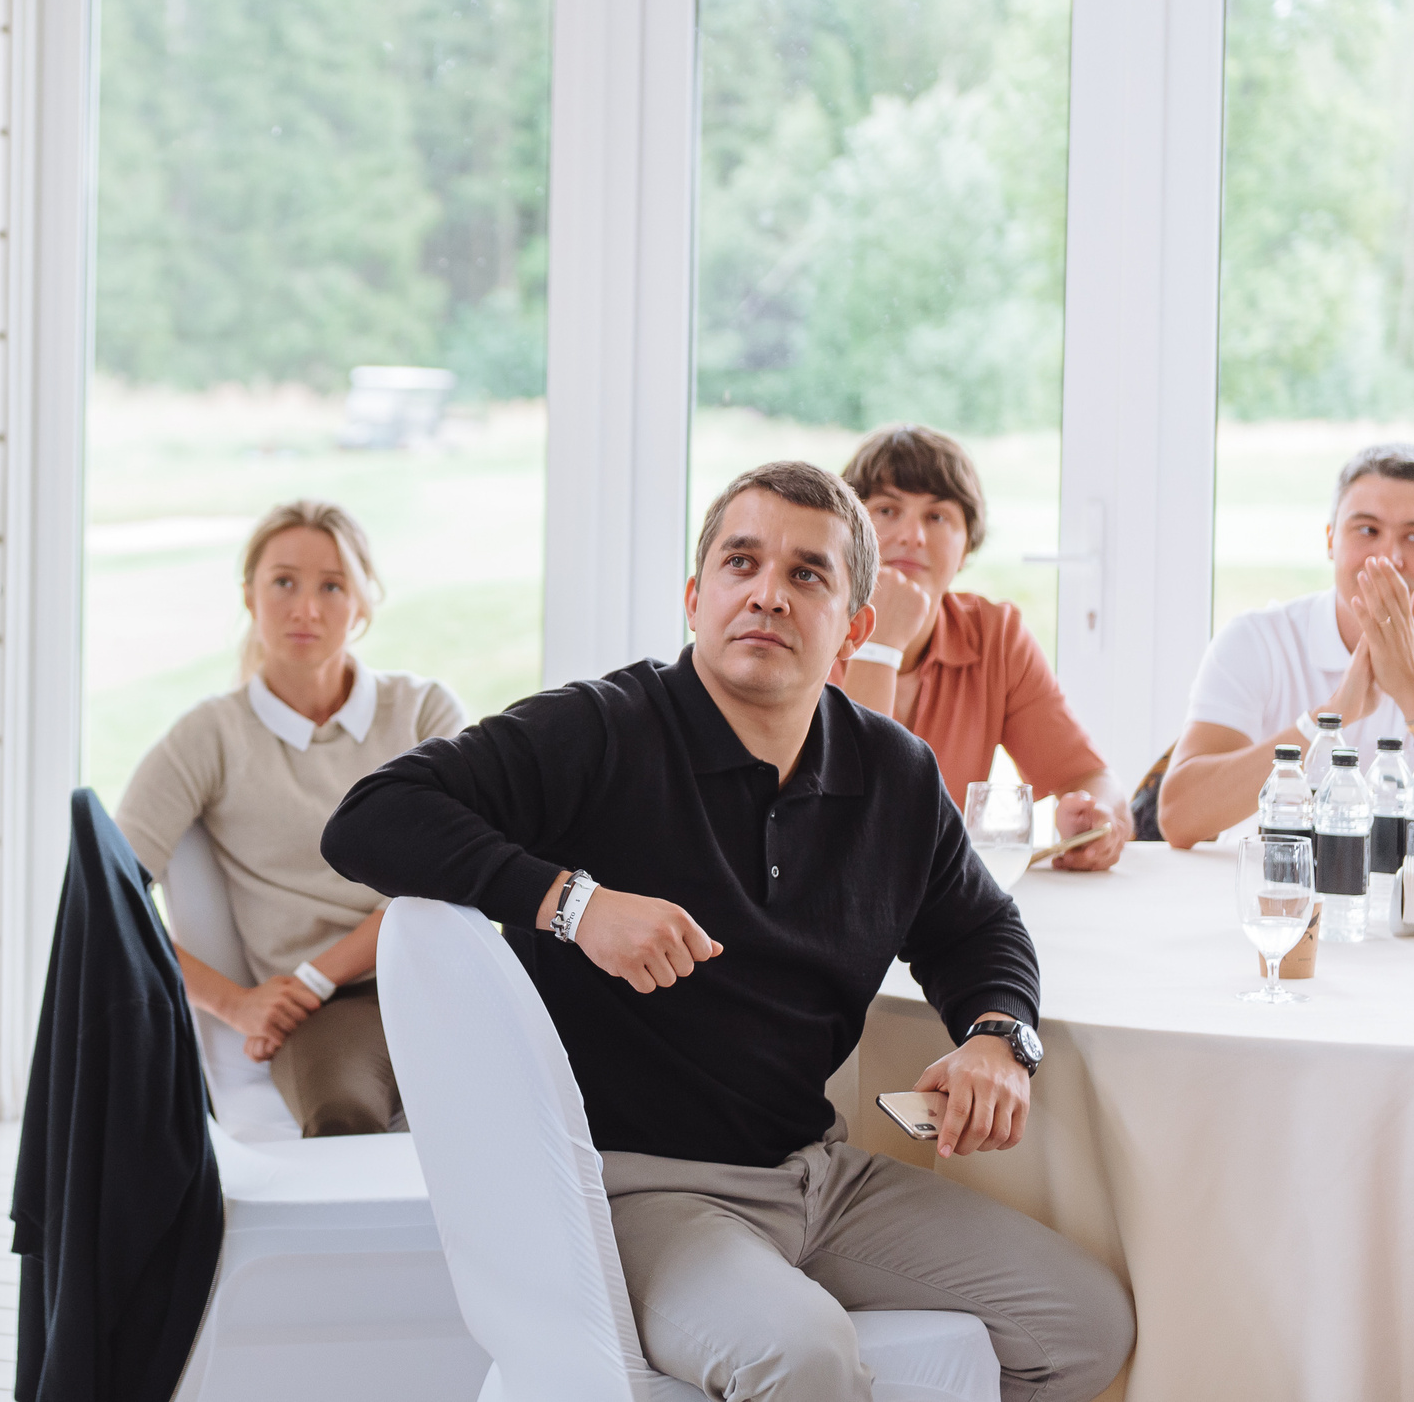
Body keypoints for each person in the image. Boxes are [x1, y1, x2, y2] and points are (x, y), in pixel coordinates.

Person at [325, 462, 1133, 1401]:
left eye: (806, 575)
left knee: (1085, 1323)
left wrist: (1000, 1036)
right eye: (740, 562)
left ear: (855, 629)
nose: (766, 594)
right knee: (803, 1358)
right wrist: (574, 903)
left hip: (817, 1176)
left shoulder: (893, 773)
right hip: (637, 1191)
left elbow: (978, 926)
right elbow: (371, 817)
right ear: (695, 597)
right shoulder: (603, 729)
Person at [117, 500, 466, 1136]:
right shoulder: (210, 736)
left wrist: (311, 976)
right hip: (332, 1015)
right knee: (342, 1116)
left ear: (363, 603)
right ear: (249, 597)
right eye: (283, 582)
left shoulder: (423, 712)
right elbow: (108, 891)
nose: (305, 609)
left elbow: (455, 870)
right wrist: (236, 1003)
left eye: (332, 586)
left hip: (453, 975)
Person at [834, 425, 1127, 870]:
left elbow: (1092, 779)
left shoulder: (995, 636)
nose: (912, 535)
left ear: (968, 543)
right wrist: (883, 643)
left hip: (938, 906)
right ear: (848, 532)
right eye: (888, 510)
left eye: (937, 517)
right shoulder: (806, 626)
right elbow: (845, 820)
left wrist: (1096, 817)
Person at [1159, 442, 1414, 847]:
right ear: (1331, 540)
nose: (1388, 557)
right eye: (1367, 530)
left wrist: (1413, 689)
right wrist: (1330, 717)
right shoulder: (1258, 641)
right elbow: (1179, 818)